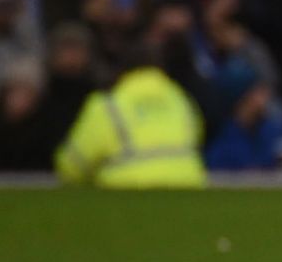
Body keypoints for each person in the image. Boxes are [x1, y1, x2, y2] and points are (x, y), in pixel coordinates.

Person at [54, 47, 207, 189]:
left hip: (127, 189)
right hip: (187, 186)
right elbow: (198, 138)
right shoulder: (180, 99)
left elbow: (71, 167)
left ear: (120, 71)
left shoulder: (108, 105)